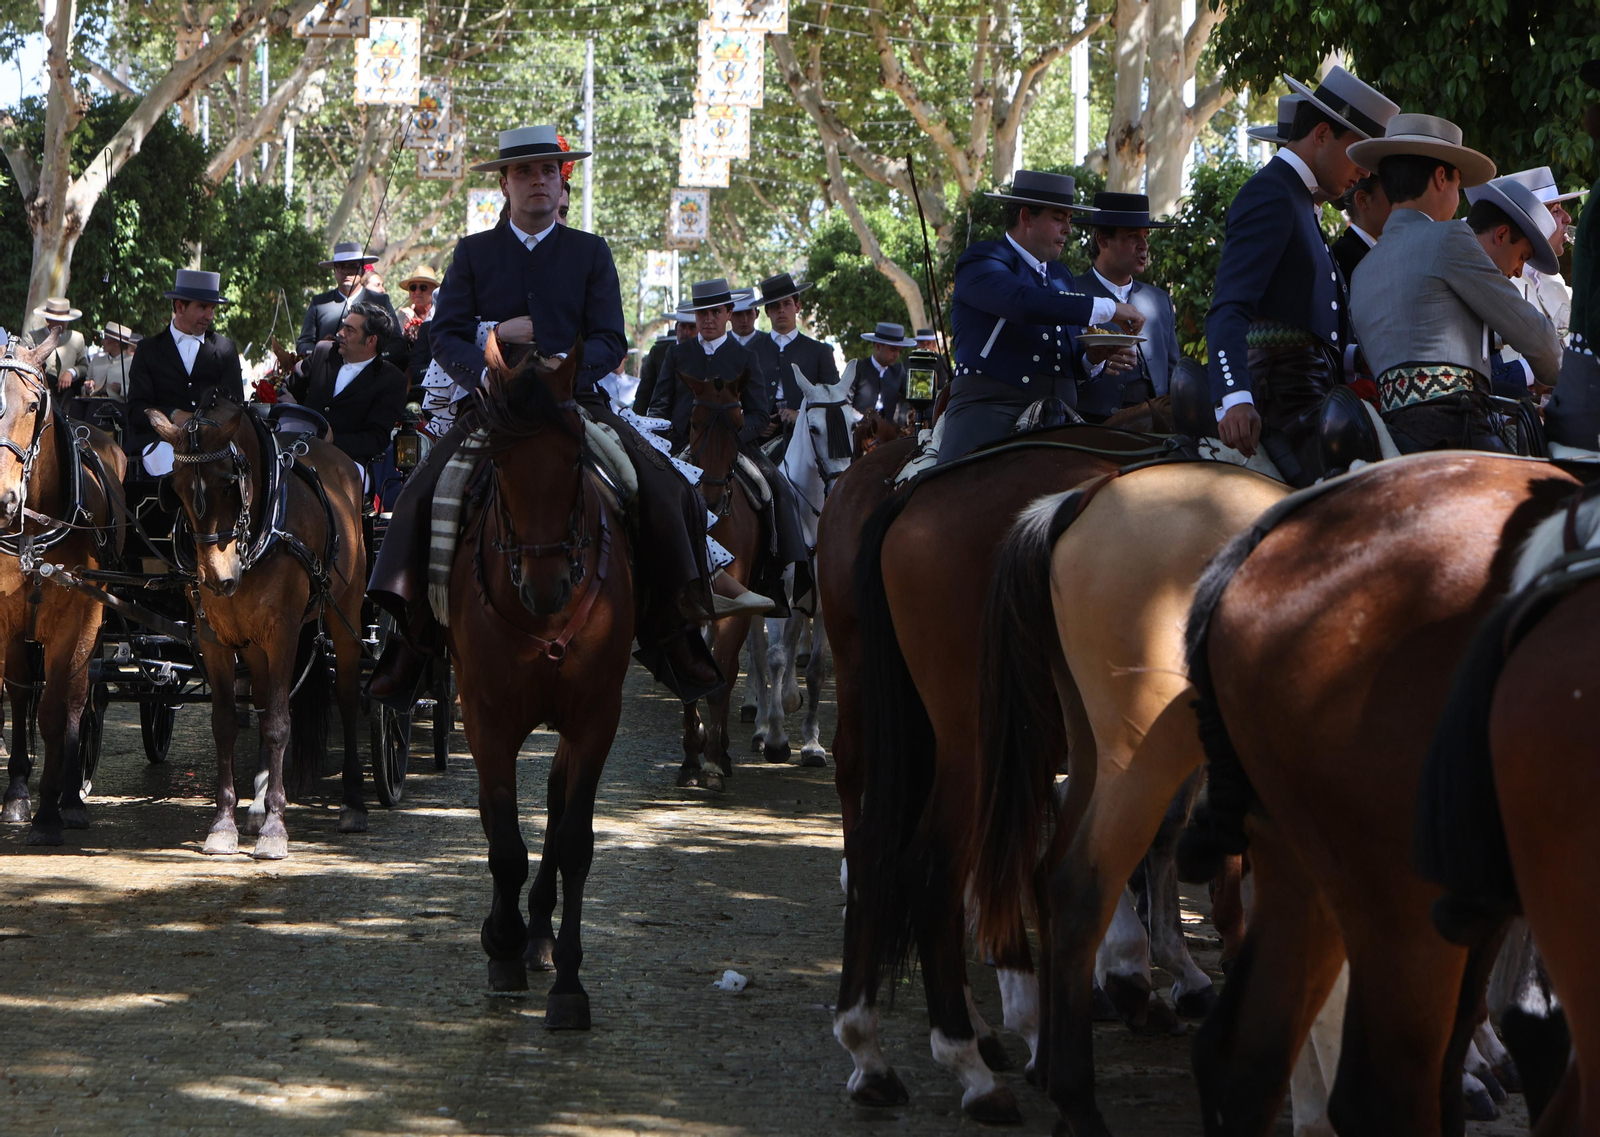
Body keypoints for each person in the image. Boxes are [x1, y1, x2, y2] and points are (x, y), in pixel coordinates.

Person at [367, 125, 740, 705]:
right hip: (494, 405)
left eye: (548, 171)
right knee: (421, 492)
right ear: (504, 183)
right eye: (525, 172)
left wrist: (571, 369)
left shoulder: (591, 252)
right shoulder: (472, 252)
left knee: (663, 487)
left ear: (559, 180)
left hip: (575, 403)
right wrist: (487, 367)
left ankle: (673, 634)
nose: (537, 181)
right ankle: (410, 644)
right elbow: (444, 337)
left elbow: (613, 337)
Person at [1206, 66, 1400, 486]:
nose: (1365, 172)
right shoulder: (1272, 192)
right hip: (1287, 406)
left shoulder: (1299, 200)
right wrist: (1234, 397)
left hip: (1314, 396)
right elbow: (1228, 308)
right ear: (1323, 134)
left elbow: (1306, 324)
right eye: (1358, 153)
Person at [1349, 120, 1560, 453]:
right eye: (1458, 185)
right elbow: (1535, 336)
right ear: (1441, 178)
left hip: (1392, 438)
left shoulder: (1362, 270)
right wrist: (1567, 376)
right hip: (1456, 432)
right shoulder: (1448, 237)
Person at [938, 169, 1147, 463]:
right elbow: (1021, 303)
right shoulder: (982, 260)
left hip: (1061, 417)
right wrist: (1111, 308)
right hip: (991, 409)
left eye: (1070, 220)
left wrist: (1094, 358)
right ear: (1026, 217)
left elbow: (1070, 361)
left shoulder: (1061, 276)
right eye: (1059, 218)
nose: (1068, 229)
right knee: (953, 492)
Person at [648, 277, 806, 604]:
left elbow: (761, 414)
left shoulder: (745, 357)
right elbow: (660, 404)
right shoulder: (676, 354)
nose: (707, 319)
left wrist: (736, 439)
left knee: (776, 487)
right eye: (702, 313)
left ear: (729, 313)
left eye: (715, 312)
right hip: (681, 447)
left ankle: (780, 574)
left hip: (734, 446)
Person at [126, 269, 245, 475]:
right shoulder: (148, 350)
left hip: (213, 446)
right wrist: (172, 415)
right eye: (202, 307)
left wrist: (205, 427)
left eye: (212, 308)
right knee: (174, 469)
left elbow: (235, 406)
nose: (210, 316)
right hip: (161, 443)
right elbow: (137, 409)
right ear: (179, 307)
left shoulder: (225, 349)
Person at [1075, 191, 1182, 420]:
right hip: (1090, 430)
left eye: (1145, 236)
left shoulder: (1160, 300)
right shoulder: (1072, 295)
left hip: (1156, 429)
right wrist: (1092, 361)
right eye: (1133, 236)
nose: (1144, 245)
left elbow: (1173, 373)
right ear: (1102, 239)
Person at [1489, 166, 1585, 396]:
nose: (1568, 218)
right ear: (1532, 221)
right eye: (1556, 211)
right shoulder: (1496, 279)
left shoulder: (1552, 277)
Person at [283, 301, 409, 469]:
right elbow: (288, 388)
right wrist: (293, 420)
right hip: (296, 450)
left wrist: (333, 440)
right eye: (344, 327)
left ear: (371, 340)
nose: (340, 333)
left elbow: (376, 438)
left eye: (349, 330)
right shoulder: (323, 351)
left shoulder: (391, 380)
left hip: (347, 464)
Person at [746, 272, 839, 444]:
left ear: (797, 307)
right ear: (767, 311)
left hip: (806, 440)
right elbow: (737, 397)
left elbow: (832, 399)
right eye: (774, 305)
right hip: (757, 442)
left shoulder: (819, 351)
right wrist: (754, 423)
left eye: (787, 303)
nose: (781, 310)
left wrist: (802, 415)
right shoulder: (750, 351)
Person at [297, 240, 407, 373]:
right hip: (329, 380)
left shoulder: (380, 301)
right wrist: (322, 349)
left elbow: (398, 345)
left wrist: (372, 357)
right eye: (341, 266)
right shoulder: (319, 303)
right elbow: (303, 344)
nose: (346, 271)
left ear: (362, 270)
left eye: (353, 266)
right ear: (334, 270)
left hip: (371, 380)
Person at [845, 322, 916, 420]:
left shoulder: (898, 371)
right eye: (893, 349)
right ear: (878, 347)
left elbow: (911, 397)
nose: (897, 355)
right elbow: (845, 403)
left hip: (887, 433)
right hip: (858, 430)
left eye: (899, 351)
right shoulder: (858, 369)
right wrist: (861, 420)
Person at [23, 297, 90, 397]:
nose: (63, 323)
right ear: (48, 319)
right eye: (58, 320)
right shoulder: (32, 337)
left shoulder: (77, 338)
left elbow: (84, 366)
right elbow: (23, 362)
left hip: (66, 391)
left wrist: (71, 372)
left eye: (66, 320)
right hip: (38, 389)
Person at [633, 306, 695, 416]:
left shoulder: (703, 353)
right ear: (676, 328)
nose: (686, 332)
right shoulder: (658, 353)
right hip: (661, 418)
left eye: (692, 327)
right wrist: (636, 422)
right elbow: (644, 392)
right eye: (683, 326)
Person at [1331, 173, 1392, 281]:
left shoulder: (1381, 253)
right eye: (1393, 195)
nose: (1401, 204)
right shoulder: (1343, 258)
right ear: (1363, 199)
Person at [85, 322, 137, 401]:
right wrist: (88, 388)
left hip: (119, 405)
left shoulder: (132, 361)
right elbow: (86, 383)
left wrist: (122, 389)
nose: (102, 341)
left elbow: (138, 389)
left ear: (117, 342)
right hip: (95, 402)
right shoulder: (97, 359)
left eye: (106, 338)